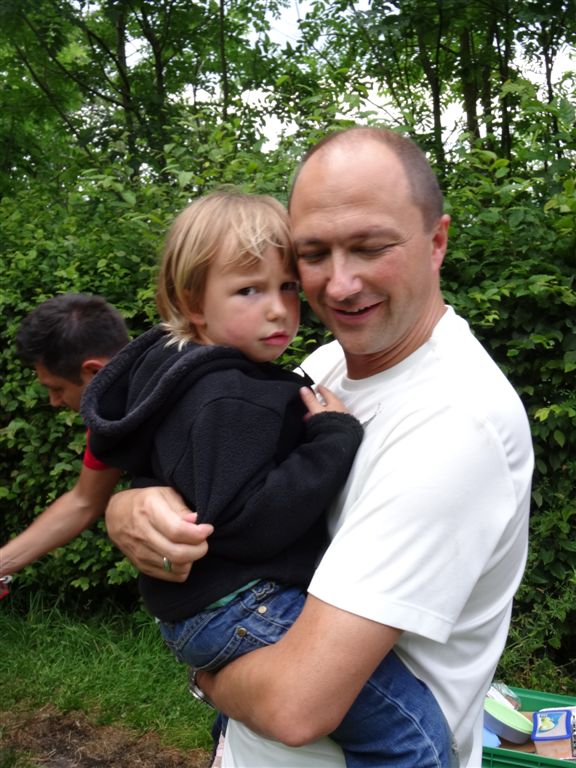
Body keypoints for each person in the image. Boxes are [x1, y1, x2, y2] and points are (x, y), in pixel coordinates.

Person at [104, 127, 534, 768]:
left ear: (436, 241)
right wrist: (133, 507)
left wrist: (207, 677)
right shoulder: (330, 363)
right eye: (313, 254)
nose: (338, 285)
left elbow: (295, 707)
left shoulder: (454, 422)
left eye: (369, 247)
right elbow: (222, 479)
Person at [0, 293, 128, 579]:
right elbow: (84, 501)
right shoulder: (109, 417)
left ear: (94, 371)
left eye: (57, 388)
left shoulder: (179, 397)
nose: (55, 401)